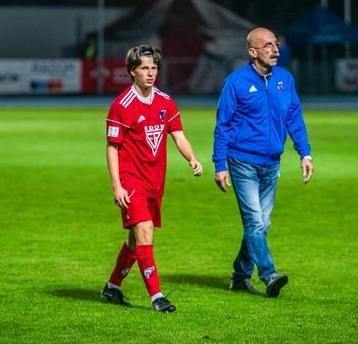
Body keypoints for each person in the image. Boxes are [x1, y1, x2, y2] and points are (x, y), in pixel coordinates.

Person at [101, 44, 203, 312]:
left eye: (154, 68)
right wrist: (117, 186)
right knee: (145, 233)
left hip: (155, 182)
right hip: (131, 181)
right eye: (144, 68)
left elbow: (179, 136)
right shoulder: (122, 106)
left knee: (134, 242)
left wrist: (192, 158)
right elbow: (112, 148)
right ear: (132, 71)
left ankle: (112, 288)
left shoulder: (165, 101)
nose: (150, 73)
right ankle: (157, 297)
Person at [213, 27, 313, 298]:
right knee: (255, 223)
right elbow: (223, 126)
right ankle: (269, 274)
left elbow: (294, 117)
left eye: (276, 44)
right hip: (242, 162)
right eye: (268, 45)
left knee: (261, 225)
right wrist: (219, 165)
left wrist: (305, 153)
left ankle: (240, 276)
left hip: (272, 164)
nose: (275, 49)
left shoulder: (285, 80)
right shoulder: (235, 82)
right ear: (252, 52)